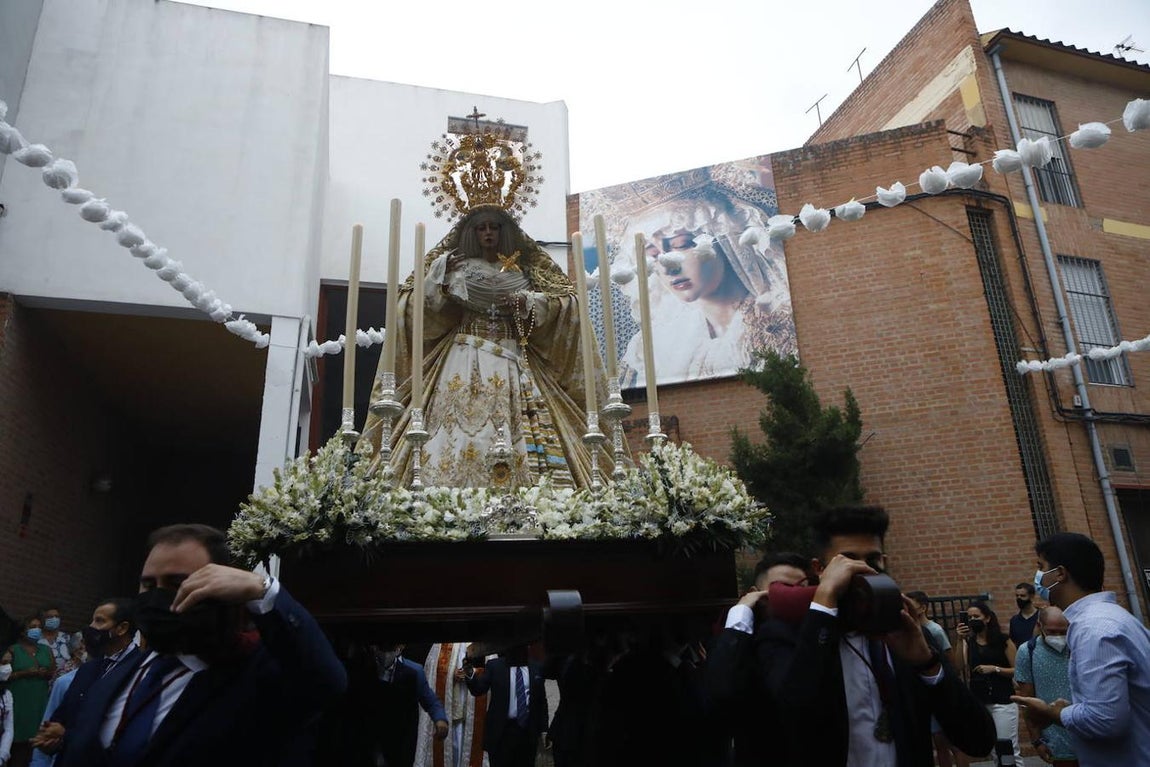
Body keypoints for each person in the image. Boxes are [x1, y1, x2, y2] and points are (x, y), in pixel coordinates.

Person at [54, 523, 347, 767]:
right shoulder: (105, 675)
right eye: (148, 584)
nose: (158, 596)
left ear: (222, 585)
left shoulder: (258, 676)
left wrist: (263, 590)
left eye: (176, 582)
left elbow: (325, 681)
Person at [362, 204, 603, 490]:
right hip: (465, 354)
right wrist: (439, 277)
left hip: (512, 357)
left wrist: (526, 302)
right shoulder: (454, 266)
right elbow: (419, 308)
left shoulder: (527, 270)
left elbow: (563, 303)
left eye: (494, 226)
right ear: (471, 232)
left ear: (505, 231)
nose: (488, 233)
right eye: (481, 227)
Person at [755, 505, 995, 766]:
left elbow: (978, 740)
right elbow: (792, 714)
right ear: (820, 569)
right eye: (847, 561)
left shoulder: (906, 635)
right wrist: (824, 603)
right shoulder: (786, 634)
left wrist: (927, 664)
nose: (862, 571)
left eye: (873, 561)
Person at [616, 185, 796, 387]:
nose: (668, 268)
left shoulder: (782, 319)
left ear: (725, 241)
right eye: (653, 256)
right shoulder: (663, 344)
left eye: (681, 245)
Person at [1012, 532, 1150, 767]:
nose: (1037, 577)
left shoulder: (1094, 629)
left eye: (1041, 567)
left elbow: (1105, 720)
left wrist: (1052, 713)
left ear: (1060, 574)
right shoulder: (1110, 618)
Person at [706, 551, 809, 767]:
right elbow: (720, 690)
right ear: (755, 593)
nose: (793, 598)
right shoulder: (739, 638)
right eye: (782, 590)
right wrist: (742, 610)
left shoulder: (815, 635)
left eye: (802, 590)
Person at [30, 598, 140, 763]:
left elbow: (120, 734)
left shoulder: (139, 669)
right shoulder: (88, 669)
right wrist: (51, 740)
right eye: (92, 620)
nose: (91, 627)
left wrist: (66, 736)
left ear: (122, 628)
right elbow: (62, 717)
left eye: (100, 621)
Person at [956, 601, 1022, 764]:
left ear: (987, 618)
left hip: (1003, 700)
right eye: (969, 617)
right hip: (980, 701)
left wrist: (995, 669)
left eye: (976, 616)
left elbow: (1018, 670)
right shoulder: (968, 643)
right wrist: (959, 640)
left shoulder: (1003, 640)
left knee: (1007, 746)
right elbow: (958, 666)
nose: (972, 620)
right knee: (993, 748)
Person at [1014, 607, 1077, 766]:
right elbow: (1027, 702)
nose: (1058, 637)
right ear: (1039, 626)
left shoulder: (1079, 646)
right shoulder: (1028, 651)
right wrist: (1036, 740)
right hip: (1055, 740)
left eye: (1063, 631)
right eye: (1052, 631)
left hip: (1088, 734)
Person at [466, 645, 548, 767]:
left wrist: (544, 729)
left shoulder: (536, 667)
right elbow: (478, 690)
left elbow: (541, 700)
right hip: (501, 734)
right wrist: (469, 672)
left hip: (527, 733)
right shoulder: (495, 666)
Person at [369, 644, 449, 767]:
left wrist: (440, 719)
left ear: (398, 649)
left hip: (402, 737)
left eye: (389, 649)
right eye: (382, 649)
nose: (385, 654)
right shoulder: (365, 669)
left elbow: (430, 699)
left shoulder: (414, 671)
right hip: (372, 734)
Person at [906, 591, 961, 767]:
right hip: (922, 692)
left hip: (940, 691)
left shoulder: (935, 630)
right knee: (938, 742)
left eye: (911, 604)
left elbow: (951, 661)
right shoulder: (909, 630)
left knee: (951, 741)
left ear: (923, 607)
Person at [416, 642, 489, 767]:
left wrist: (472, 672)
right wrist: (451, 674)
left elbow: (492, 671)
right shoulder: (441, 644)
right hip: (451, 709)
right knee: (452, 749)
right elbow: (433, 670)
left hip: (471, 706)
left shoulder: (483, 642)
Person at [6, 616, 54, 767]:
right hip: (19, 699)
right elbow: (4, 675)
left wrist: (44, 673)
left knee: (35, 740)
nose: (37, 630)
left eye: (39, 626)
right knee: (17, 742)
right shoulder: (13, 650)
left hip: (39, 700)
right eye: (33, 626)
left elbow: (52, 672)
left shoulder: (46, 650)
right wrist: (24, 673)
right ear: (23, 631)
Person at [36, 609, 69, 685]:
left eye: (57, 616)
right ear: (42, 619)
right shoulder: (36, 637)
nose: (54, 619)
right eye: (50, 617)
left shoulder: (66, 638)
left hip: (60, 683)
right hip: (39, 681)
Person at [1009, 582, 1040, 649]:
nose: (1019, 598)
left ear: (1031, 597)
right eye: (1017, 596)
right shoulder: (1014, 620)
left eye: (1022, 596)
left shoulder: (1042, 616)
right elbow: (1013, 643)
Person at [2, 648, 15, 767]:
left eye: (9, 663)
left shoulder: (6, 695)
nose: (7, 668)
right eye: (4, 663)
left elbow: (8, 729)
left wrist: (2, 755)